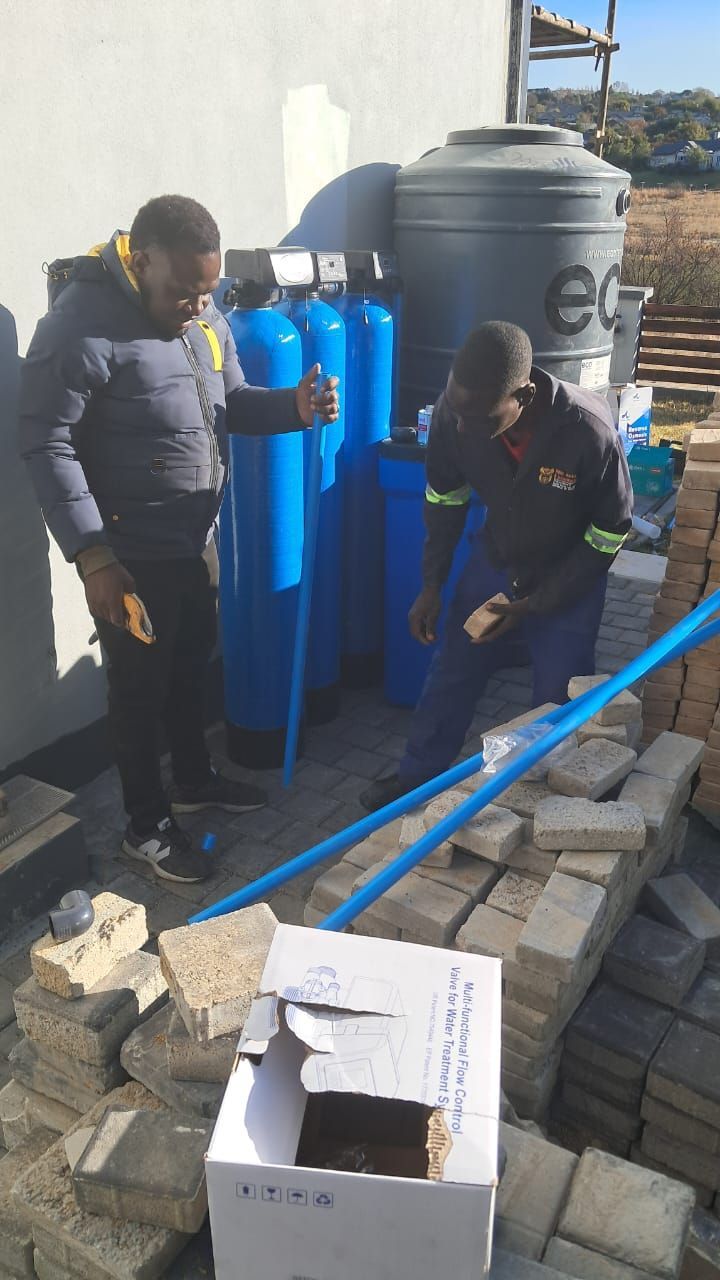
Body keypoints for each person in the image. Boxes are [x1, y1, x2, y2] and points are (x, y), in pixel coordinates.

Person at [20, 195, 339, 883]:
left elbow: (232, 404)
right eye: (182, 291)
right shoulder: (80, 324)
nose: (197, 305)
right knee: (137, 691)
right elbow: (45, 444)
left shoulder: (203, 316)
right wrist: (92, 555)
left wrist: (293, 406)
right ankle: (145, 826)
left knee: (191, 666)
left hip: (194, 536)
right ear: (139, 261)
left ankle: (192, 779)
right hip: (129, 551)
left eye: (207, 290)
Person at [361, 321, 632, 812]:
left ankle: (544, 806)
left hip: (566, 578)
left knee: (556, 701)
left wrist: (539, 604)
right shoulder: (457, 412)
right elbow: (445, 498)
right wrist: (431, 585)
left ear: (523, 395)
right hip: (497, 563)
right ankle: (416, 780)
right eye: (458, 413)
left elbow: (610, 531)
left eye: (481, 420)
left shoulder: (587, 430)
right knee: (454, 671)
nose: (465, 428)